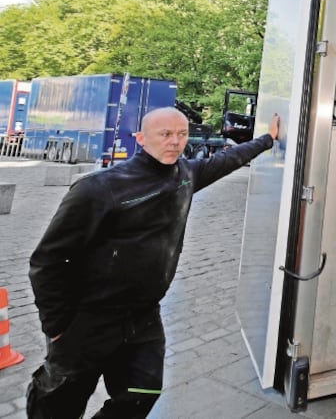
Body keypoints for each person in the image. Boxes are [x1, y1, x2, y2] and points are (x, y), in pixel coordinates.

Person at [27, 106, 280, 418]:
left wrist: (267, 138)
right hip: (88, 319)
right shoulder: (99, 188)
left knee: (142, 392)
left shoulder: (186, 174)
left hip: (143, 317)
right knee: (59, 403)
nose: (175, 141)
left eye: (182, 134)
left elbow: (227, 160)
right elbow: (47, 260)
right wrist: (56, 326)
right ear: (141, 138)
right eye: (165, 134)